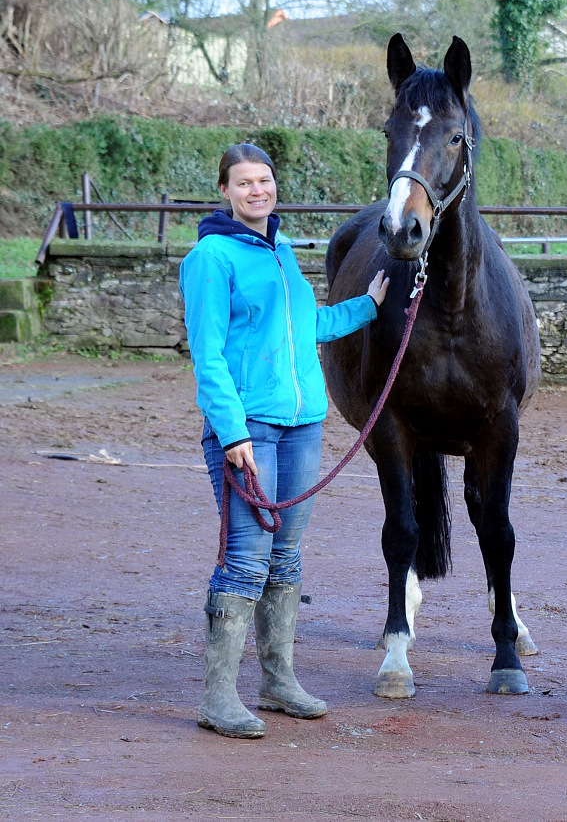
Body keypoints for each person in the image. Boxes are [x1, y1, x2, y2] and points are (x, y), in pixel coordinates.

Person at [180, 143, 390, 739]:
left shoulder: (281, 251)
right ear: (225, 190)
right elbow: (209, 355)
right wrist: (232, 431)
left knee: (286, 556)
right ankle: (218, 697)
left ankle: (278, 680)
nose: (257, 191)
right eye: (244, 183)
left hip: (302, 426)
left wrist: (367, 308)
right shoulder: (211, 258)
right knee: (245, 558)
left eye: (264, 180)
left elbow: (306, 329)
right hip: (249, 430)